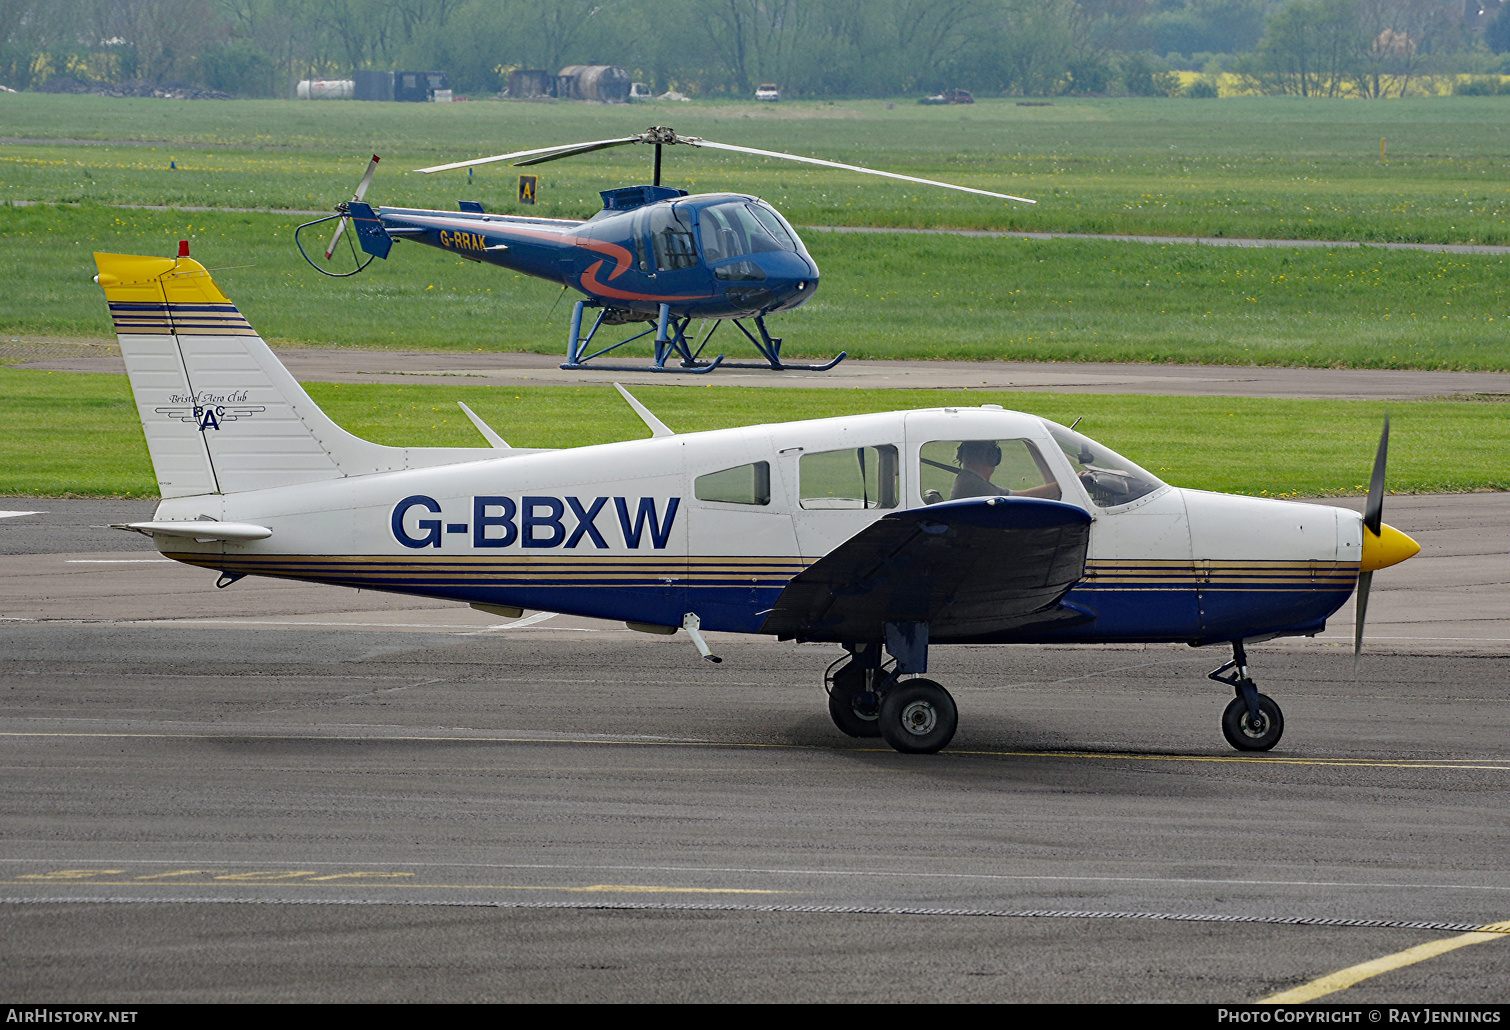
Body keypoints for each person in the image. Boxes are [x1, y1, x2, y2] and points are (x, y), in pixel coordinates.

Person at [949, 440, 1062, 500]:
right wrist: (1065, 485)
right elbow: (1023, 499)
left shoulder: (968, 480)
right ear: (993, 457)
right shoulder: (975, 486)